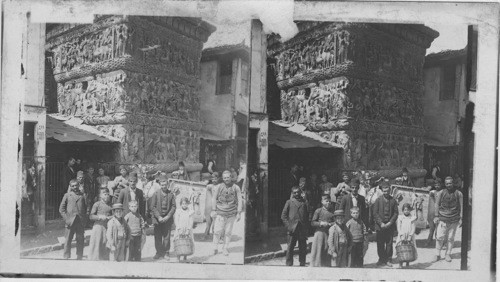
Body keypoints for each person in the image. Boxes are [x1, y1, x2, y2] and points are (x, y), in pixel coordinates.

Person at [211, 170, 243, 256]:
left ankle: (225, 248)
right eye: (224, 178)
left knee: (228, 232)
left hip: (231, 214)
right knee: (217, 231)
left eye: (228, 177)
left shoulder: (236, 187)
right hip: (220, 213)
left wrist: (239, 212)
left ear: (231, 177)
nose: (226, 179)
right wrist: (213, 210)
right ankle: (215, 247)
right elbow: (214, 198)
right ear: (222, 178)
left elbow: (240, 200)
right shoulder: (219, 187)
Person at [433, 176, 463, 262]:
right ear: (445, 184)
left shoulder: (459, 194)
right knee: (439, 237)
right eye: (447, 184)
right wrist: (436, 216)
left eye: (450, 183)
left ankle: (448, 254)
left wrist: (461, 218)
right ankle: (437, 254)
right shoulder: (441, 193)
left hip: (454, 219)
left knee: (450, 238)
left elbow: (462, 206)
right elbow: (437, 204)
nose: (448, 185)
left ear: (453, 183)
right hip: (443, 218)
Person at [59, 179, 87, 260]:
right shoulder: (67, 195)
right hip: (70, 221)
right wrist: (67, 219)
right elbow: (61, 209)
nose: (75, 187)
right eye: (73, 186)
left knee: (80, 239)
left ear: (79, 185)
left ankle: (79, 255)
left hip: (80, 221)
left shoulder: (83, 195)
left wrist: (84, 219)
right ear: (70, 187)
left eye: (76, 185)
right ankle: (66, 256)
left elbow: (86, 208)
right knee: (68, 240)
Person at [281, 186, 309, 266]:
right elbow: (283, 216)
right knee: (290, 247)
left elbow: (307, 215)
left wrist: (306, 227)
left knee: (303, 247)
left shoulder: (304, 202)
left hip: (302, 228)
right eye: (295, 192)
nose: (297, 194)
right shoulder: (289, 202)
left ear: (301, 192)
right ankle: (289, 263)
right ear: (292, 193)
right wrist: (288, 226)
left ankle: (302, 262)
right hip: (292, 229)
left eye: (298, 192)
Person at [373, 183, 398, 267]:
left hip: (389, 226)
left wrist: (390, 222)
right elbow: (375, 213)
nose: (386, 193)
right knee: (380, 243)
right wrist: (381, 223)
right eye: (384, 191)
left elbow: (396, 213)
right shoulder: (378, 200)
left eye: (387, 191)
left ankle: (388, 259)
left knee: (389, 243)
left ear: (390, 190)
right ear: (382, 191)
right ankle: (381, 259)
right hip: (380, 226)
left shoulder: (393, 200)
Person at [151, 176, 176, 260]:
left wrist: (168, 216)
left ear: (167, 184)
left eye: (165, 185)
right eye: (162, 185)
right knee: (157, 236)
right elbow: (153, 207)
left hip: (167, 219)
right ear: (159, 185)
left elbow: (173, 207)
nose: (163, 187)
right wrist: (158, 217)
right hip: (158, 219)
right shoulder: (156, 194)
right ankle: (158, 252)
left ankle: (166, 252)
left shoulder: (171, 194)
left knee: (166, 236)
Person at [310, 194, 335, 267]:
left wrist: (330, 224)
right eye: (326, 201)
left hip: (328, 233)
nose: (328, 203)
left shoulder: (332, 212)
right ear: (322, 202)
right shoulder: (318, 211)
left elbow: (335, 222)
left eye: (329, 201)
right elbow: (313, 222)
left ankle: (326, 266)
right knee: (318, 249)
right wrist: (321, 223)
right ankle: (317, 265)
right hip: (319, 233)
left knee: (326, 249)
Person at [88, 188, 113, 260]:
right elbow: (91, 216)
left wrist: (109, 217)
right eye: (105, 194)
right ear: (100, 195)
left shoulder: (111, 205)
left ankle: (104, 259)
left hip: (107, 226)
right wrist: (99, 217)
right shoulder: (97, 204)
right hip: (98, 226)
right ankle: (95, 258)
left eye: (108, 194)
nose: (107, 196)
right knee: (97, 242)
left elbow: (114, 215)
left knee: (105, 242)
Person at [396, 203, 417, 268]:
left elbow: (413, 228)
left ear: (410, 210)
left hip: (409, 234)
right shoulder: (400, 217)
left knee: (409, 247)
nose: (406, 211)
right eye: (405, 210)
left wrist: (410, 235)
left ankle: (407, 262)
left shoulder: (412, 218)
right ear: (403, 210)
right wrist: (401, 235)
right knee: (401, 248)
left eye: (408, 210)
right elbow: (398, 227)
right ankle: (400, 263)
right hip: (402, 235)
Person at [174, 197, 195, 262]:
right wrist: (179, 228)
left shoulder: (190, 212)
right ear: (181, 204)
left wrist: (188, 229)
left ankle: (185, 255)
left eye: (185, 204)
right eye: (183, 204)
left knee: (187, 241)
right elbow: (176, 220)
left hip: (187, 228)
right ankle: (178, 256)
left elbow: (191, 221)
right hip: (180, 228)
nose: (184, 205)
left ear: (187, 204)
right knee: (179, 241)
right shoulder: (178, 211)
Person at [426, 179, 442, 246]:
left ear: (441, 185)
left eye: (438, 184)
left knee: (438, 228)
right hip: (432, 211)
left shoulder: (442, 192)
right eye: (435, 185)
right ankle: (429, 240)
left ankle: (438, 243)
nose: (437, 186)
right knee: (431, 227)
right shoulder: (432, 192)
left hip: (439, 212)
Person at [204, 172, 219, 239]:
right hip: (209, 206)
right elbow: (205, 186)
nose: (214, 180)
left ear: (218, 179)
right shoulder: (209, 186)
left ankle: (215, 236)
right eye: (212, 179)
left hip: (217, 207)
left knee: (216, 222)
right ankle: (206, 234)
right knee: (208, 222)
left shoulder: (220, 186)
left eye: (215, 179)